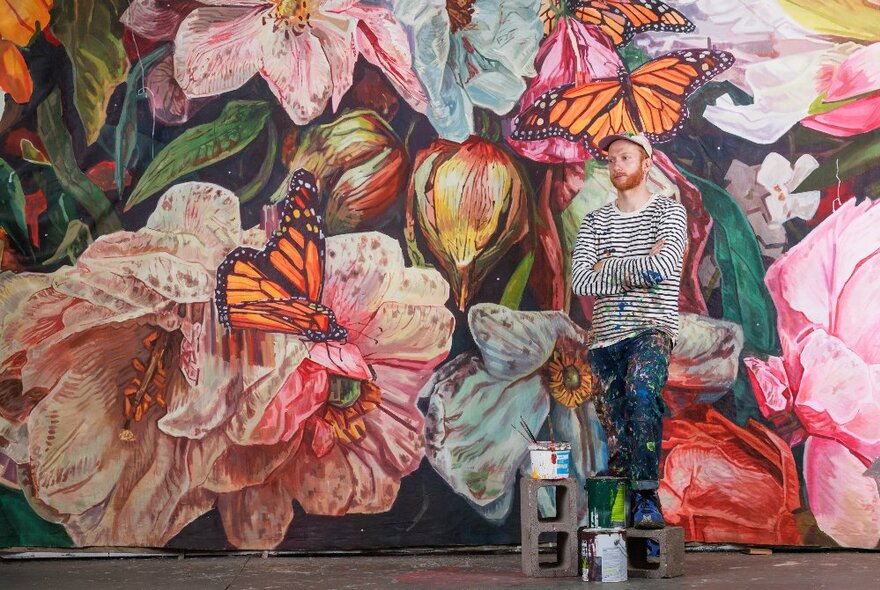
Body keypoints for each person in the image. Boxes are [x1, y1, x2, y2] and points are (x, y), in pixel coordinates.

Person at [570, 133, 687, 529]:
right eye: (610, 159)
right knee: (616, 427)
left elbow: (663, 268)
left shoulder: (668, 214)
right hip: (604, 339)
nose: (616, 165)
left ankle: (647, 496)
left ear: (646, 163)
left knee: (642, 395)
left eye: (625, 157)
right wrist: (636, 264)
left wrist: (609, 265)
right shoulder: (595, 221)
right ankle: (622, 528)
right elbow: (582, 282)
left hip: (649, 329)